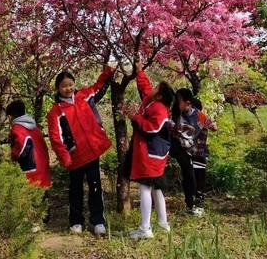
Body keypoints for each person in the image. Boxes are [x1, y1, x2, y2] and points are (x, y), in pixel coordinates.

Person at [47, 65, 115, 236]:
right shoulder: (56, 112)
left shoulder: (84, 96)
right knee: (75, 189)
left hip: (92, 152)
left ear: (74, 83)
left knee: (95, 186)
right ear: (58, 88)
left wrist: (108, 71)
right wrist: (64, 156)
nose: (68, 88)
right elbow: (56, 138)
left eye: (70, 84)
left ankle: (98, 220)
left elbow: (98, 86)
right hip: (75, 156)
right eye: (64, 86)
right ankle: (76, 221)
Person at [123, 60, 174, 240]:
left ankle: (145, 228)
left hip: (150, 154)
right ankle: (162, 223)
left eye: (156, 87)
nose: (152, 87)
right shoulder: (152, 101)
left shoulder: (159, 108)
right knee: (156, 188)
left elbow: (152, 127)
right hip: (153, 154)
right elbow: (145, 89)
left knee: (145, 187)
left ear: (159, 96)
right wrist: (139, 71)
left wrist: (134, 117)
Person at [170, 89, 217, 216]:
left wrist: (211, 126)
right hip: (183, 150)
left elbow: (213, 126)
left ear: (188, 103)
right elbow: (171, 128)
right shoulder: (176, 115)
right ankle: (190, 204)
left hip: (198, 150)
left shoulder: (199, 115)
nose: (176, 104)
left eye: (179, 102)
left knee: (199, 175)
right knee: (188, 175)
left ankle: (199, 203)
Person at [6, 99, 52, 189]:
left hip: (30, 171)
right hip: (42, 167)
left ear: (10, 117)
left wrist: (13, 156)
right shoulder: (35, 128)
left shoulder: (17, 129)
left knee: (31, 197)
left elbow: (21, 146)